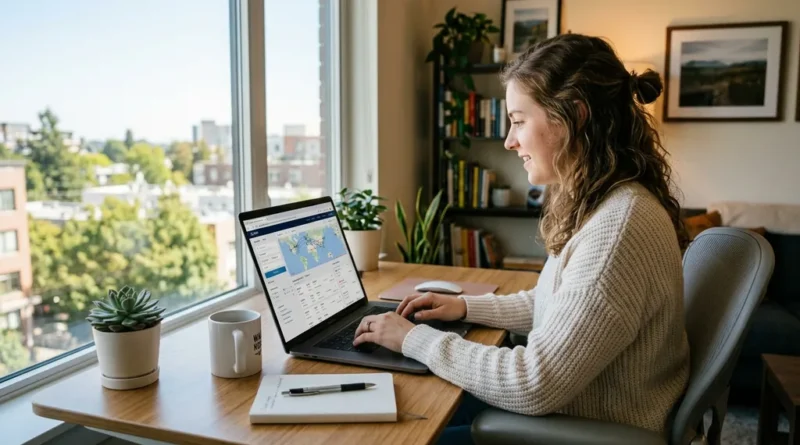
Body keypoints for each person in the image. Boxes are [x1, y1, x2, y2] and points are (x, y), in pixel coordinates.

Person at [353, 33, 690, 444]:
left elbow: (534, 383)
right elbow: (553, 303)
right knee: (411, 404)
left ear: (574, 116)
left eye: (518, 120)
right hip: (573, 410)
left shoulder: (617, 228)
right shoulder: (608, 202)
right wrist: (462, 306)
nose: (509, 141)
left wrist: (412, 339)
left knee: (396, 431)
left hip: (583, 427)